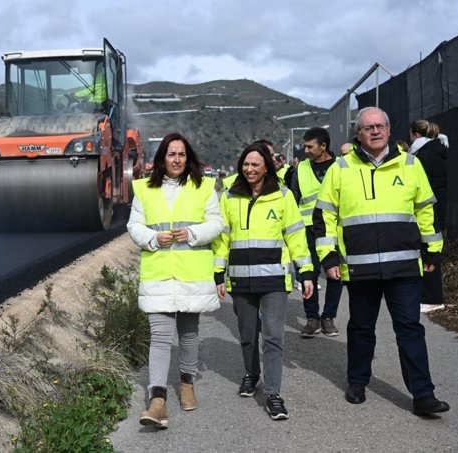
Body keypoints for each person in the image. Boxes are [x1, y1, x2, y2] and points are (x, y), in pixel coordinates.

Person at [314, 106, 450, 416]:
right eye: (368, 127)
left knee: (410, 329)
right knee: (361, 328)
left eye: (380, 126)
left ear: (389, 129)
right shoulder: (341, 168)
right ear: (358, 133)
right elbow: (325, 216)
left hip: (404, 267)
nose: (375, 131)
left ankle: (423, 395)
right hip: (359, 267)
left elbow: (426, 209)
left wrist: (433, 250)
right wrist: (329, 257)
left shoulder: (411, 164)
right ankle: (357, 382)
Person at [127, 132, 225, 429]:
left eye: (182, 154)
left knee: (189, 333)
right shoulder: (145, 189)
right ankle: (157, 401)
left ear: (188, 158)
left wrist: (193, 234)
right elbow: (134, 226)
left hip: (192, 274)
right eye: (172, 154)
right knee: (160, 336)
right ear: (162, 159)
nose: (177, 159)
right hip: (158, 273)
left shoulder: (203, 187)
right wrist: (153, 238)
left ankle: (186, 383)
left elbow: (217, 223)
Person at [213, 142, 314, 420]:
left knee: (273, 337)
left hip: (273, 281)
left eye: (255, 164)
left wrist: (306, 271)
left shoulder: (283, 195)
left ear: (266, 167)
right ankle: (251, 373)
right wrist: (218, 272)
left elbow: (295, 235)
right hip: (241, 281)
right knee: (247, 334)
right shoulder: (229, 197)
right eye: (246, 164)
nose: (250, 169)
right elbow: (222, 239)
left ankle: (273, 394)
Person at [289, 127, 344, 337]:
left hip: (333, 229)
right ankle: (312, 318)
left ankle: (328, 317)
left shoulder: (341, 166)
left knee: (335, 274)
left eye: (310, 146)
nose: (306, 150)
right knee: (308, 273)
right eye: (305, 146)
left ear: (323, 146)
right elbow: (293, 200)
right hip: (308, 230)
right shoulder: (301, 168)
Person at [409, 119, 449, 313]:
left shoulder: (422, 156)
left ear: (416, 134)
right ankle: (431, 296)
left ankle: (432, 298)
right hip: (437, 207)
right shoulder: (437, 151)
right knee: (430, 249)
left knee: (428, 250)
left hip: (429, 209)